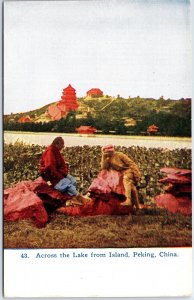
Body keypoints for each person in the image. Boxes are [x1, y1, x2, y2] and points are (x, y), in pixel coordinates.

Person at [39, 136, 87, 205]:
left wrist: (63, 172)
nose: (63, 146)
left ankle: (71, 197)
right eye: (62, 144)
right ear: (57, 143)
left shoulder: (55, 151)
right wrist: (59, 177)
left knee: (73, 180)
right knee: (67, 184)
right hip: (50, 175)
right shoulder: (50, 151)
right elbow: (49, 166)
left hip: (59, 172)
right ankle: (77, 197)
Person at [100, 144, 143, 208]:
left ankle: (128, 200)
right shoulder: (107, 158)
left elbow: (131, 164)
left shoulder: (120, 155)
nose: (110, 153)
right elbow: (104, 168)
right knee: (132, 187)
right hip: (120, 174)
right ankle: (137, 206)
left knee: (126, 179)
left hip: (129, 171)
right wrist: (104, 158)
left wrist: (136, 174)